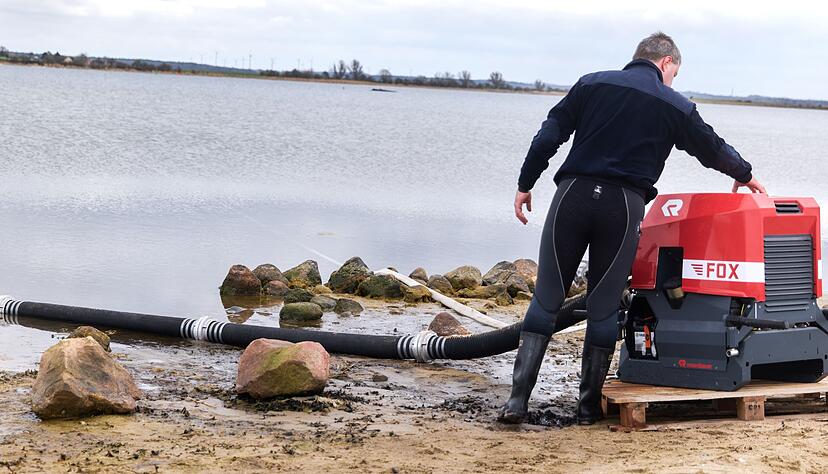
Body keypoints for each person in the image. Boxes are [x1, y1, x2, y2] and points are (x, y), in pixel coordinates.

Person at [498, 32, 767, 425]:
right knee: (604, 307)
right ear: (666, 63)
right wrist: (745, 174)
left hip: (571, 196)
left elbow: (548, 136)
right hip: (623, 207)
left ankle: (516, 403)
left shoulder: (591, 83)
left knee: (546, 299)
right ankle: (587, 408)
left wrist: (525, 184)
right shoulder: (675, 104)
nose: (673, 81)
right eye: (675, 73)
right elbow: (711, 148)